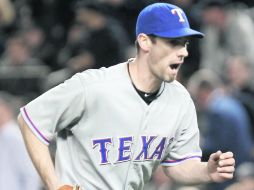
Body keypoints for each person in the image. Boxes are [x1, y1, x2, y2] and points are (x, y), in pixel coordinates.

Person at [17, 3, 235, 190]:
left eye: (185, 44)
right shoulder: (93, 86)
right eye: (173, 42)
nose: (184, 52)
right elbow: (30, 119)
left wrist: (206, 170)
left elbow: (178, 166)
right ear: (144, 41)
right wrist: (55, 185)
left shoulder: (180, 100)